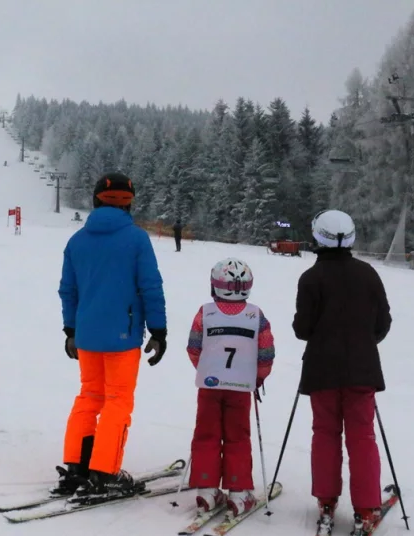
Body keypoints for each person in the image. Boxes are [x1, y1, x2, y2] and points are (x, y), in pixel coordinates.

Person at [54, 172, 168, 497]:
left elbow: (68, 291)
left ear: (95, 200)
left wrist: (71, 330)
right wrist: (158, 331)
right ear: (129, 203)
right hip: (123, 336)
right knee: (118, 401)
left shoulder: (77, 240)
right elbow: (150, 287)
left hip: (87, 336)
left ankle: (77, 469)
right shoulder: (136, 239)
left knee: (89, 397)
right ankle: (105, 473)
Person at [293, 209, 392, 536]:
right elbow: (383, 324)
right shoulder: (368, 274)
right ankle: (366, 507)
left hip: (321, 369)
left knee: (325, 433)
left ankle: (325, 499)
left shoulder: (311, 278)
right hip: (362, 369)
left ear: (317, 236)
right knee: (362, 437)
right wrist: (363, 341)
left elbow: (302, 328)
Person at [186, 258, 275, 517]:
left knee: (206, 433)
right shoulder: (256, 316)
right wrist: (258, 378)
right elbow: (266, 352)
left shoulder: (206, 313)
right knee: (238, 436)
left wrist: (206, 370)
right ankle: (238, 492)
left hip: (210, 386)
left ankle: (206, 488)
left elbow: (193, 347)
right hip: (240, 387)